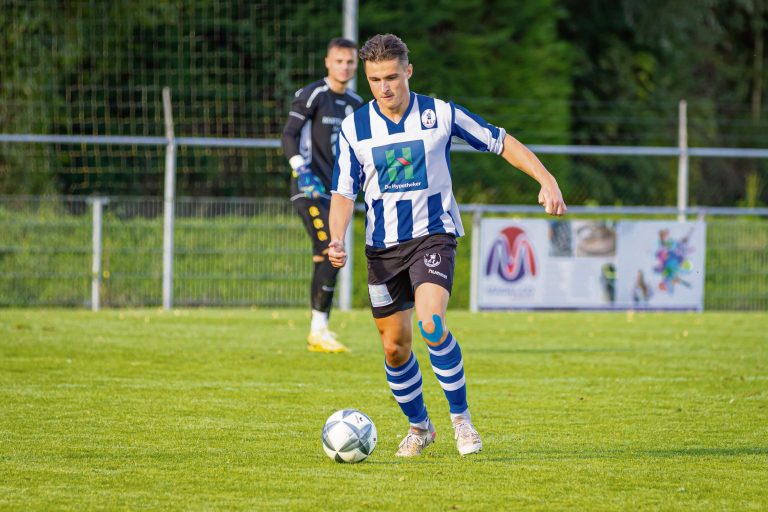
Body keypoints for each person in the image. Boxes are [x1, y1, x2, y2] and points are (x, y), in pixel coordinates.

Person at [328, 34, 567, 457]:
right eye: (375, 79)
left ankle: (462, 422)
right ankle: (420, 427)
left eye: (391, 77)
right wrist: (336, 236)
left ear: (409, 71)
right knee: (394, 347)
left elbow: (500, 140)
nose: (384, 88)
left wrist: (546, 179)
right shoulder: (354, 128)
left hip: (432, 237)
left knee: (431, 324)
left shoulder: (438, 114)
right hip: (382, 250)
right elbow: (344, 192)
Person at [281, 37, 364, 353]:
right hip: (309, 188)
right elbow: (289, 134)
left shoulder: (356, 104)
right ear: (328, 62)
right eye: (339, 60)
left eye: (350, 61)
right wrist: (300, 169)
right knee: (333, 247)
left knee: (325, 256)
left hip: (338, 193)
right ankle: (319, 329)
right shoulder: (314, 94)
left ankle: (318, 331)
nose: (345, 66)